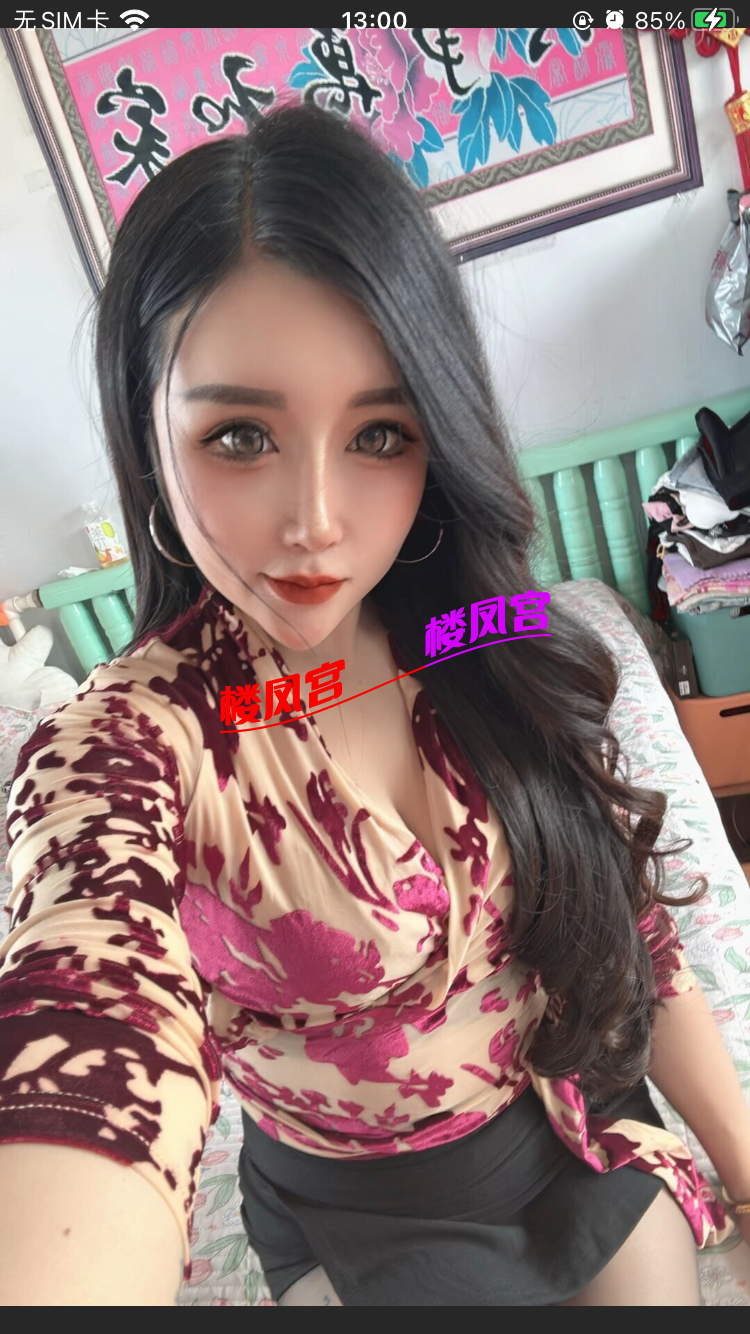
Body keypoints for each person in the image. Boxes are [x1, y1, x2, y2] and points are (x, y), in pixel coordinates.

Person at [1, 103, 749, 1308]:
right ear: (149, 430)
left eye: (381, 432)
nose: (317, 522)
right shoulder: (139, 745)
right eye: (241, 434)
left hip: (576, 1113)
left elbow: (627, 922)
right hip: (362, 1212)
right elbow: (87, 1006)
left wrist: (748, 1174)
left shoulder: (467, 636)